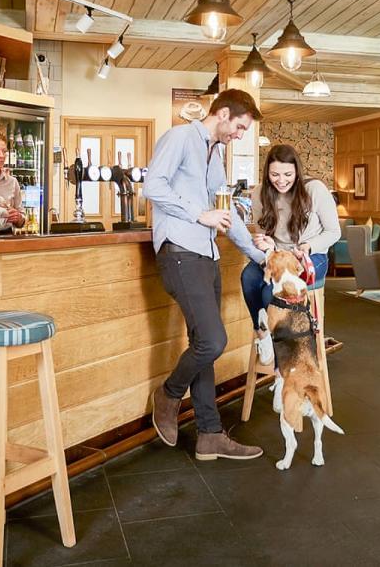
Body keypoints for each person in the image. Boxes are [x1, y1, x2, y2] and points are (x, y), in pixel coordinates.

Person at [145, 89, 268, 461]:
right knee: (212, 341)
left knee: (205, 345)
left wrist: (258, 254)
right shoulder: (181, 137)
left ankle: (210, 434)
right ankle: (168, 395)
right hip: (181, 254)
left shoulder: (215, 156)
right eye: (240, 127)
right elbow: (153, 185)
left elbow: (226, 213)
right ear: (224, 114)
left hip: (207, 255)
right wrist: (200, 215)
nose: (240, 135)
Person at [242, 144, 340, 356]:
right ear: (267, 173)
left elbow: (334, 232)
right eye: (275, 174)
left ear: (297, 172)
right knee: (249, 276)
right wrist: (266, 244)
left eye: (288, 174)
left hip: (312, 255)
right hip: (279, 255)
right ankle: (263, 334)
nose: (281, 180)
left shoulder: (315, 190)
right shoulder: (259, 193)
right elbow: (265, 236)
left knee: (272, 291)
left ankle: (283, 351)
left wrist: (307, 246)